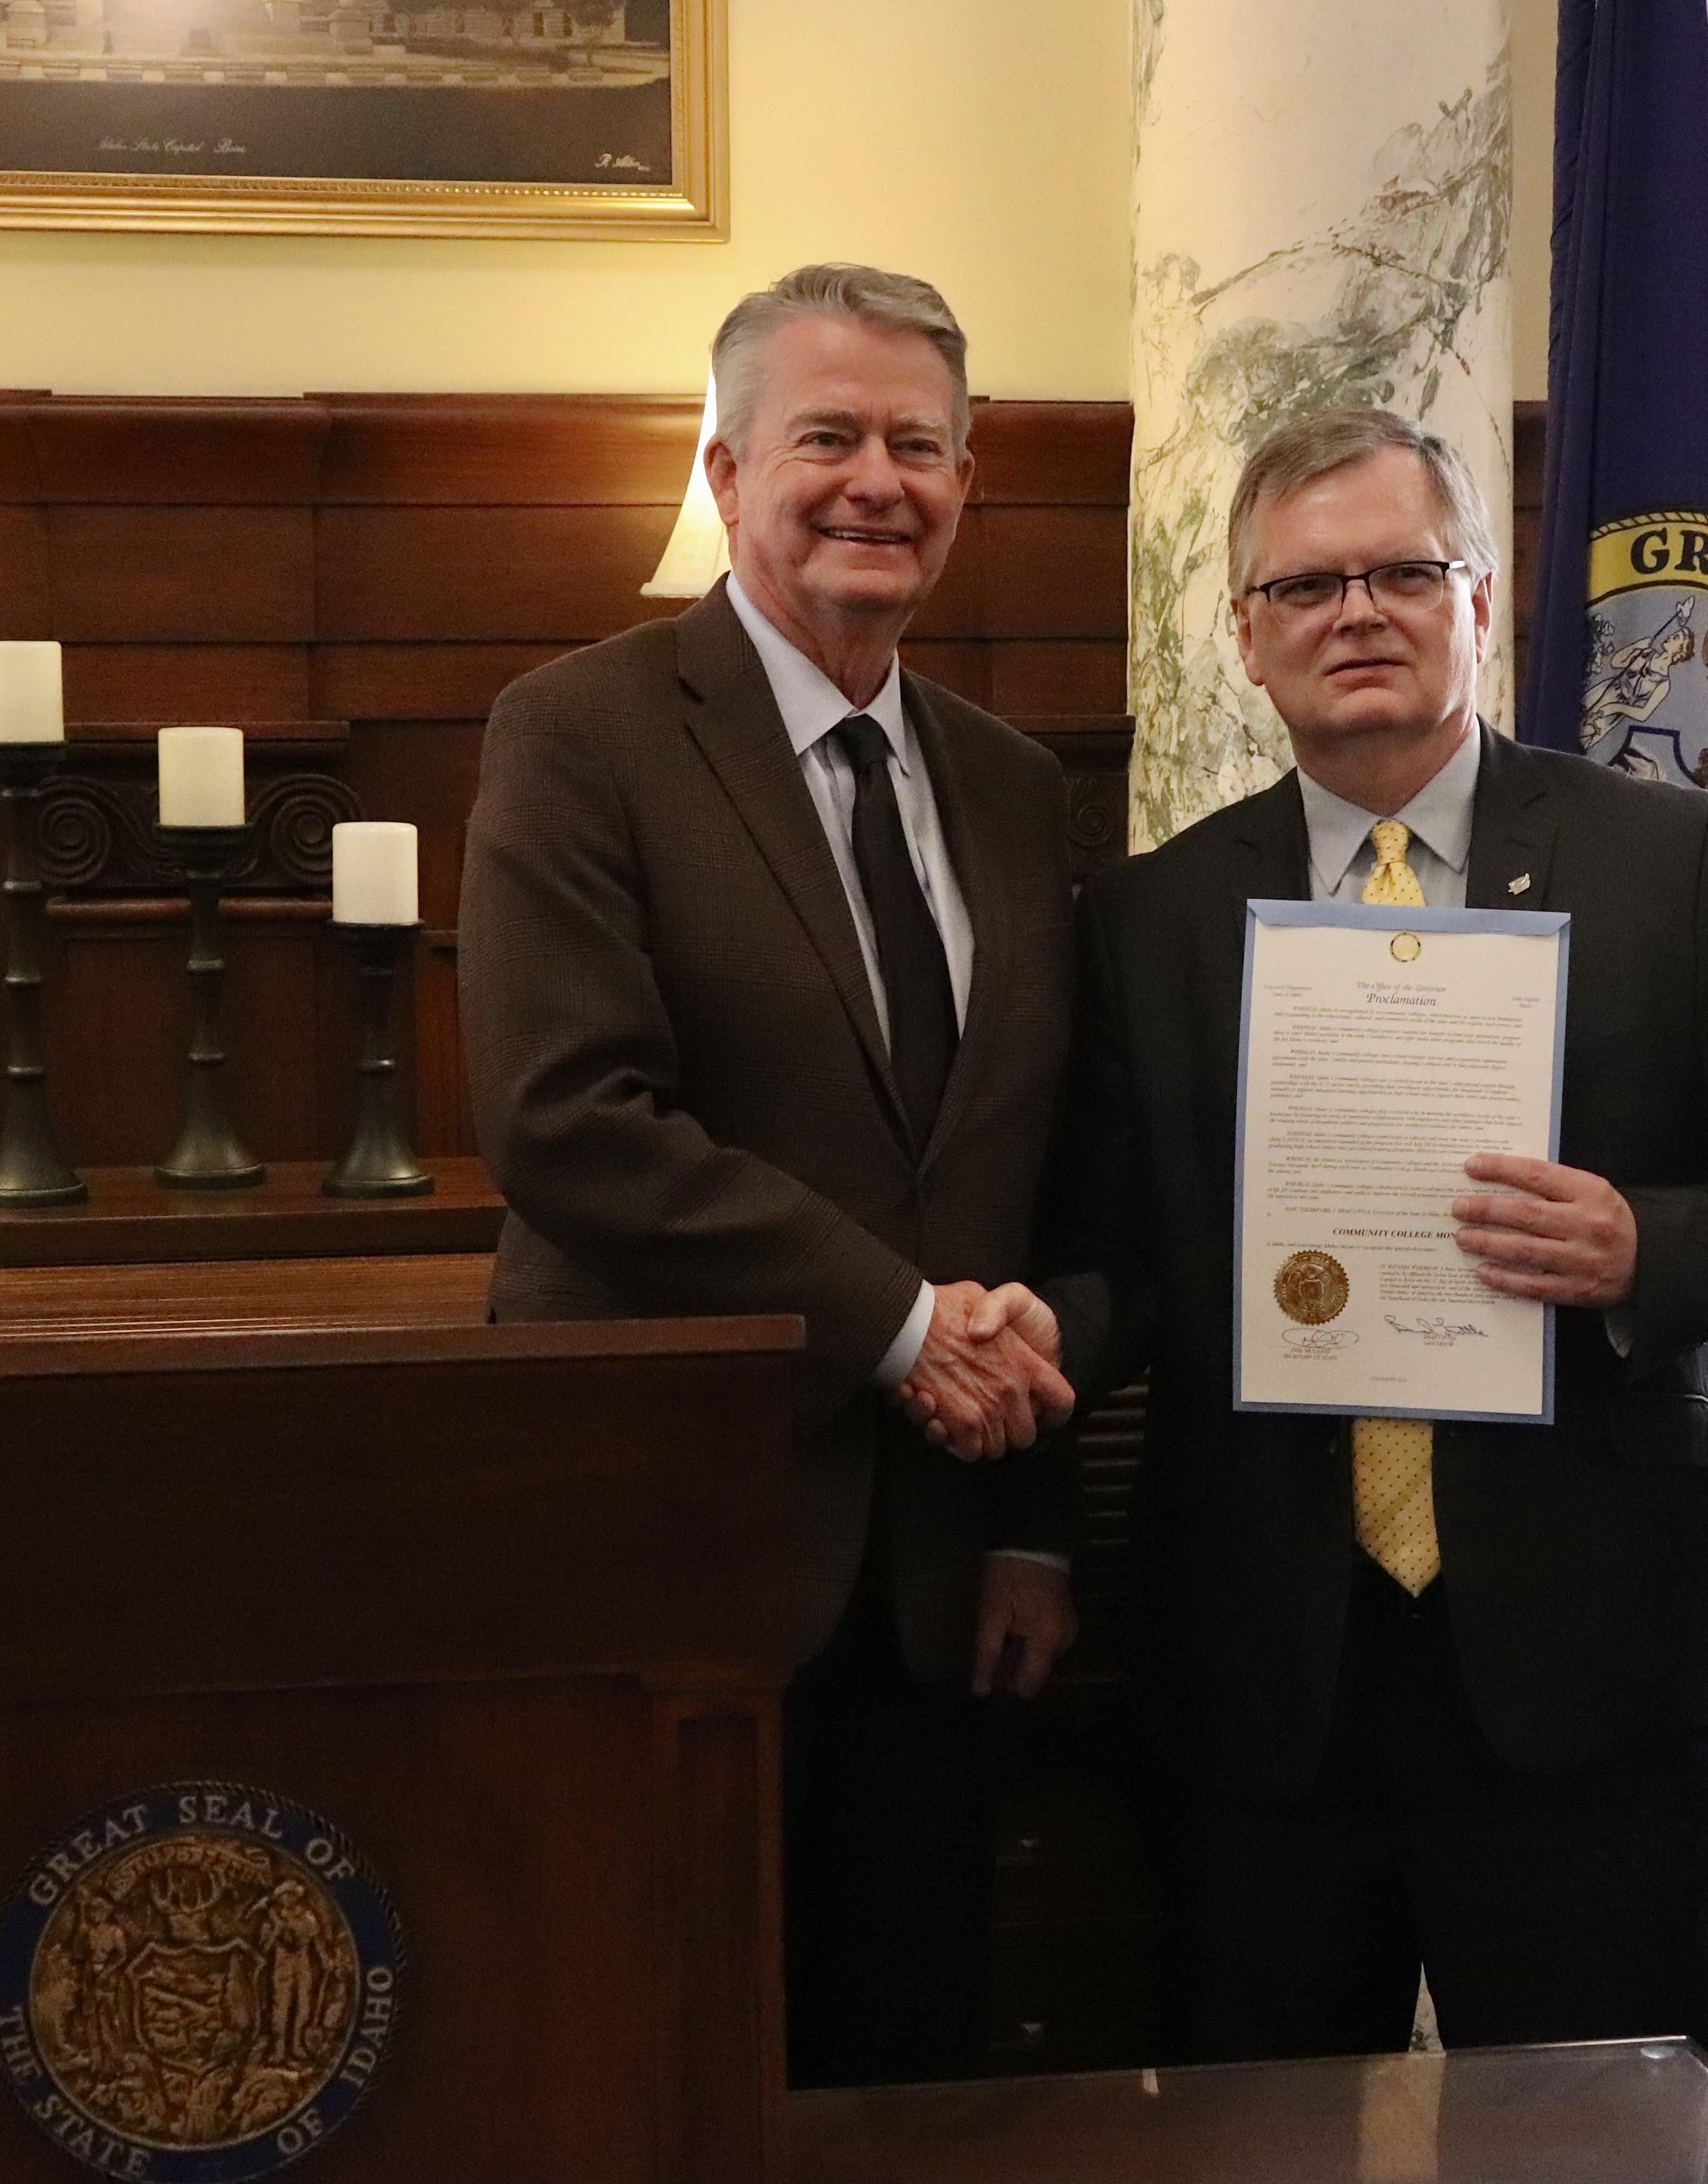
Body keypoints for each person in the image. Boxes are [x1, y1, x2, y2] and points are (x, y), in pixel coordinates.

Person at [1019, 407, 1708, 2061]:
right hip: (1269, 1669)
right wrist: (1022, 1341)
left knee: (1593, 2147)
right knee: (1254, 2146)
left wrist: (1641, 1243)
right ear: (1250, 642)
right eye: (1309, 587)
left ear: (1482, 603)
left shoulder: (1672, 865)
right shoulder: (1152, 921)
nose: (1360, 613)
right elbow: (1112, 1250)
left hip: (1586, 1655)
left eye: (1406, 571)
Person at [457, 264, 1082, 2088]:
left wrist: (1033, 1511)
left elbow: (1029, 1155)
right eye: (828, 438)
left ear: (968, 489)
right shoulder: (578, 731)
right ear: (727, 473)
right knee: (657, 2059)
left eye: (919, 445)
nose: (875, 480)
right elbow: (568, 1117)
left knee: (909, 2061)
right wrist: (901, 1329)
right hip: (669, 1529)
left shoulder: (1013, 783)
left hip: (941, 1570)